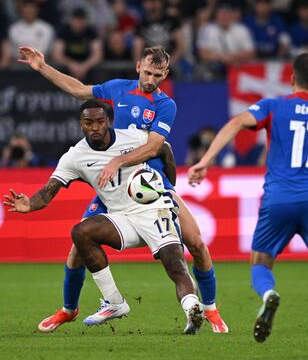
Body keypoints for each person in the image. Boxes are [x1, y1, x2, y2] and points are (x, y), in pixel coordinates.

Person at [17, 45, 228, 333]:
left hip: (149, 186)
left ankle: (211, 309)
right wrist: (42, 67)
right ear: (138, 65)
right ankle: (69, 310)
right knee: (77, 247)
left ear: (165, 74)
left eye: (158, 75)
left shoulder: (165, 104)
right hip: (111, 186)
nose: (152, 79)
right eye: (148, 72)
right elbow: (79, 89)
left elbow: (156, 146)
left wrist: (124, 164)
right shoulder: (117, 89)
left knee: (197, 244)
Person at [188, 53, 308, 357]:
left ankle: (270, 293)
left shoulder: (274, 106)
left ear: (292, 79)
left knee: (260, 262)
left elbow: (236, 122)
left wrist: (205, 161)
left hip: (279, 198)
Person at [3, 100, 204, 333]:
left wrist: (169, 189)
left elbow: (164, 149)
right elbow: (49, 191)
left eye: (100, 121)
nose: (95, 127)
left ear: (108, 121)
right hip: (121, 217)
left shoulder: (134, 138)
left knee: (175, 265)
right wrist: (29, 204)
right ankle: (115, 302)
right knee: (81, 232)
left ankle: (192, 310)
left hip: (154, 210)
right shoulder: (75, 156)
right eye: (89, 123)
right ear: (81, 125)